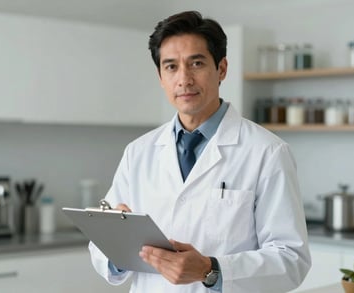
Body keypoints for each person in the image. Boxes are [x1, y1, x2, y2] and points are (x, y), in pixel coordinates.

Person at [89, 10, 311, 293]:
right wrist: (118, 246)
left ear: (221, 69)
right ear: (160, 76)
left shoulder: (267, 152)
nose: (184, 79)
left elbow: (291, 260)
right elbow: (100, 249)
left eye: (196, 63)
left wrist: (211, 270)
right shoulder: (139, 152)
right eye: (171, 67)